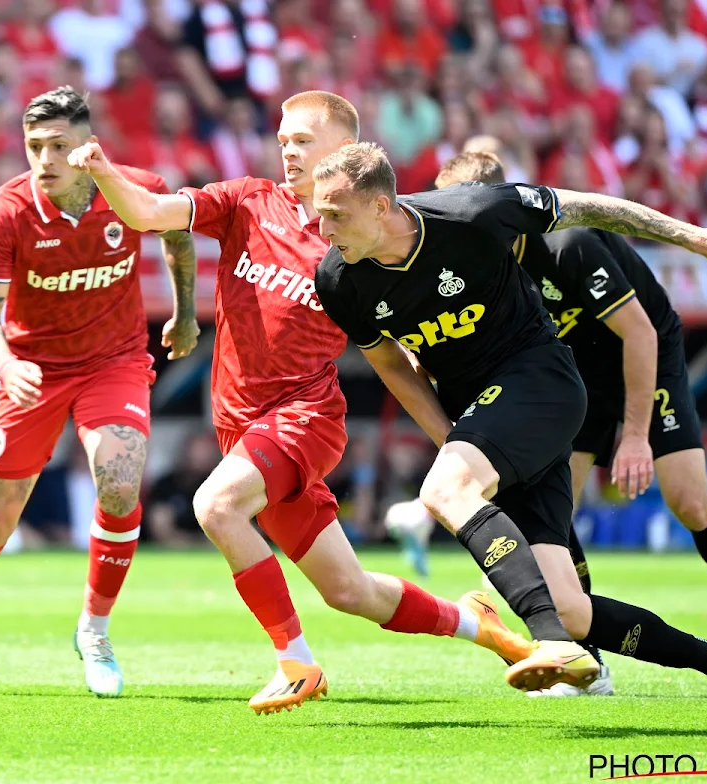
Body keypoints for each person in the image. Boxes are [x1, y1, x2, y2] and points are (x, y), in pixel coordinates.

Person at [69, 90, 554, 717]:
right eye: (282, 139)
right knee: (350, 590)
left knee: (215, 505)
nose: (287, 149)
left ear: (343, 151)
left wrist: (464, 421)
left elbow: (412, 332)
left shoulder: (361, 237)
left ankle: (297, 665)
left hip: (305, 416)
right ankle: (484, 628)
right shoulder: (249, 201)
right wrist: (106, 171)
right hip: (242, 428)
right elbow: (150, 212)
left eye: (301, 139)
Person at [311, 140, 707, 735]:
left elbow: (594, 208)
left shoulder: (472, 214)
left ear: (382, 206)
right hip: (486, 420)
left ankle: (552, 644)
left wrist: (695, 237)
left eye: (335, 212)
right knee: (571, 605)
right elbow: (392, 368)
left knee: (445, 493)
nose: (321, 227)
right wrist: (451, 439)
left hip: (542, 383)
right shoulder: (338, 278)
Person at [434, 150, 707, 695]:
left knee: (690, 502)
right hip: (571, 371)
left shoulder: (567, 244)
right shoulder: (482, 262)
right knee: (556, 510)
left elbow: (640, 334)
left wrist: (636, 437)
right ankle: (590, 661)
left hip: (643, 352)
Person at [0, 87, 201, 699]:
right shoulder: (6, 211)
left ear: (89, 146)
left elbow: (177, 236)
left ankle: (94, 631)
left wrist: (186, 312)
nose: (45, 158)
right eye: (35, 146)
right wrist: (6, 363)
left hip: (112, 362)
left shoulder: (133, 187)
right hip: (32, 367)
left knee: (120, 482)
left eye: (59, 145)